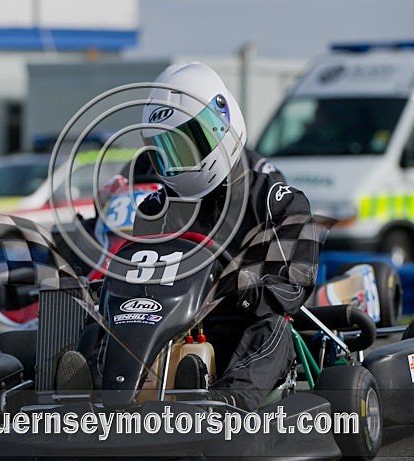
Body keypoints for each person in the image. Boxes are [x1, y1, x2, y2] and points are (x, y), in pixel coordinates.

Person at [132, 62, 324, 411]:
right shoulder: (155, 211)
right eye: (168, 150)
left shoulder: (276, 202)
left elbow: (294, 287)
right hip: (172, 332)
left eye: (186, 147)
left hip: (244, 328)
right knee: (106, 325)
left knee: (273, 328)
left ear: (221, 125)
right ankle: (93, 394)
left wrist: (241, 287)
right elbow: (138, 279)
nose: (178, 161)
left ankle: (226, 404)